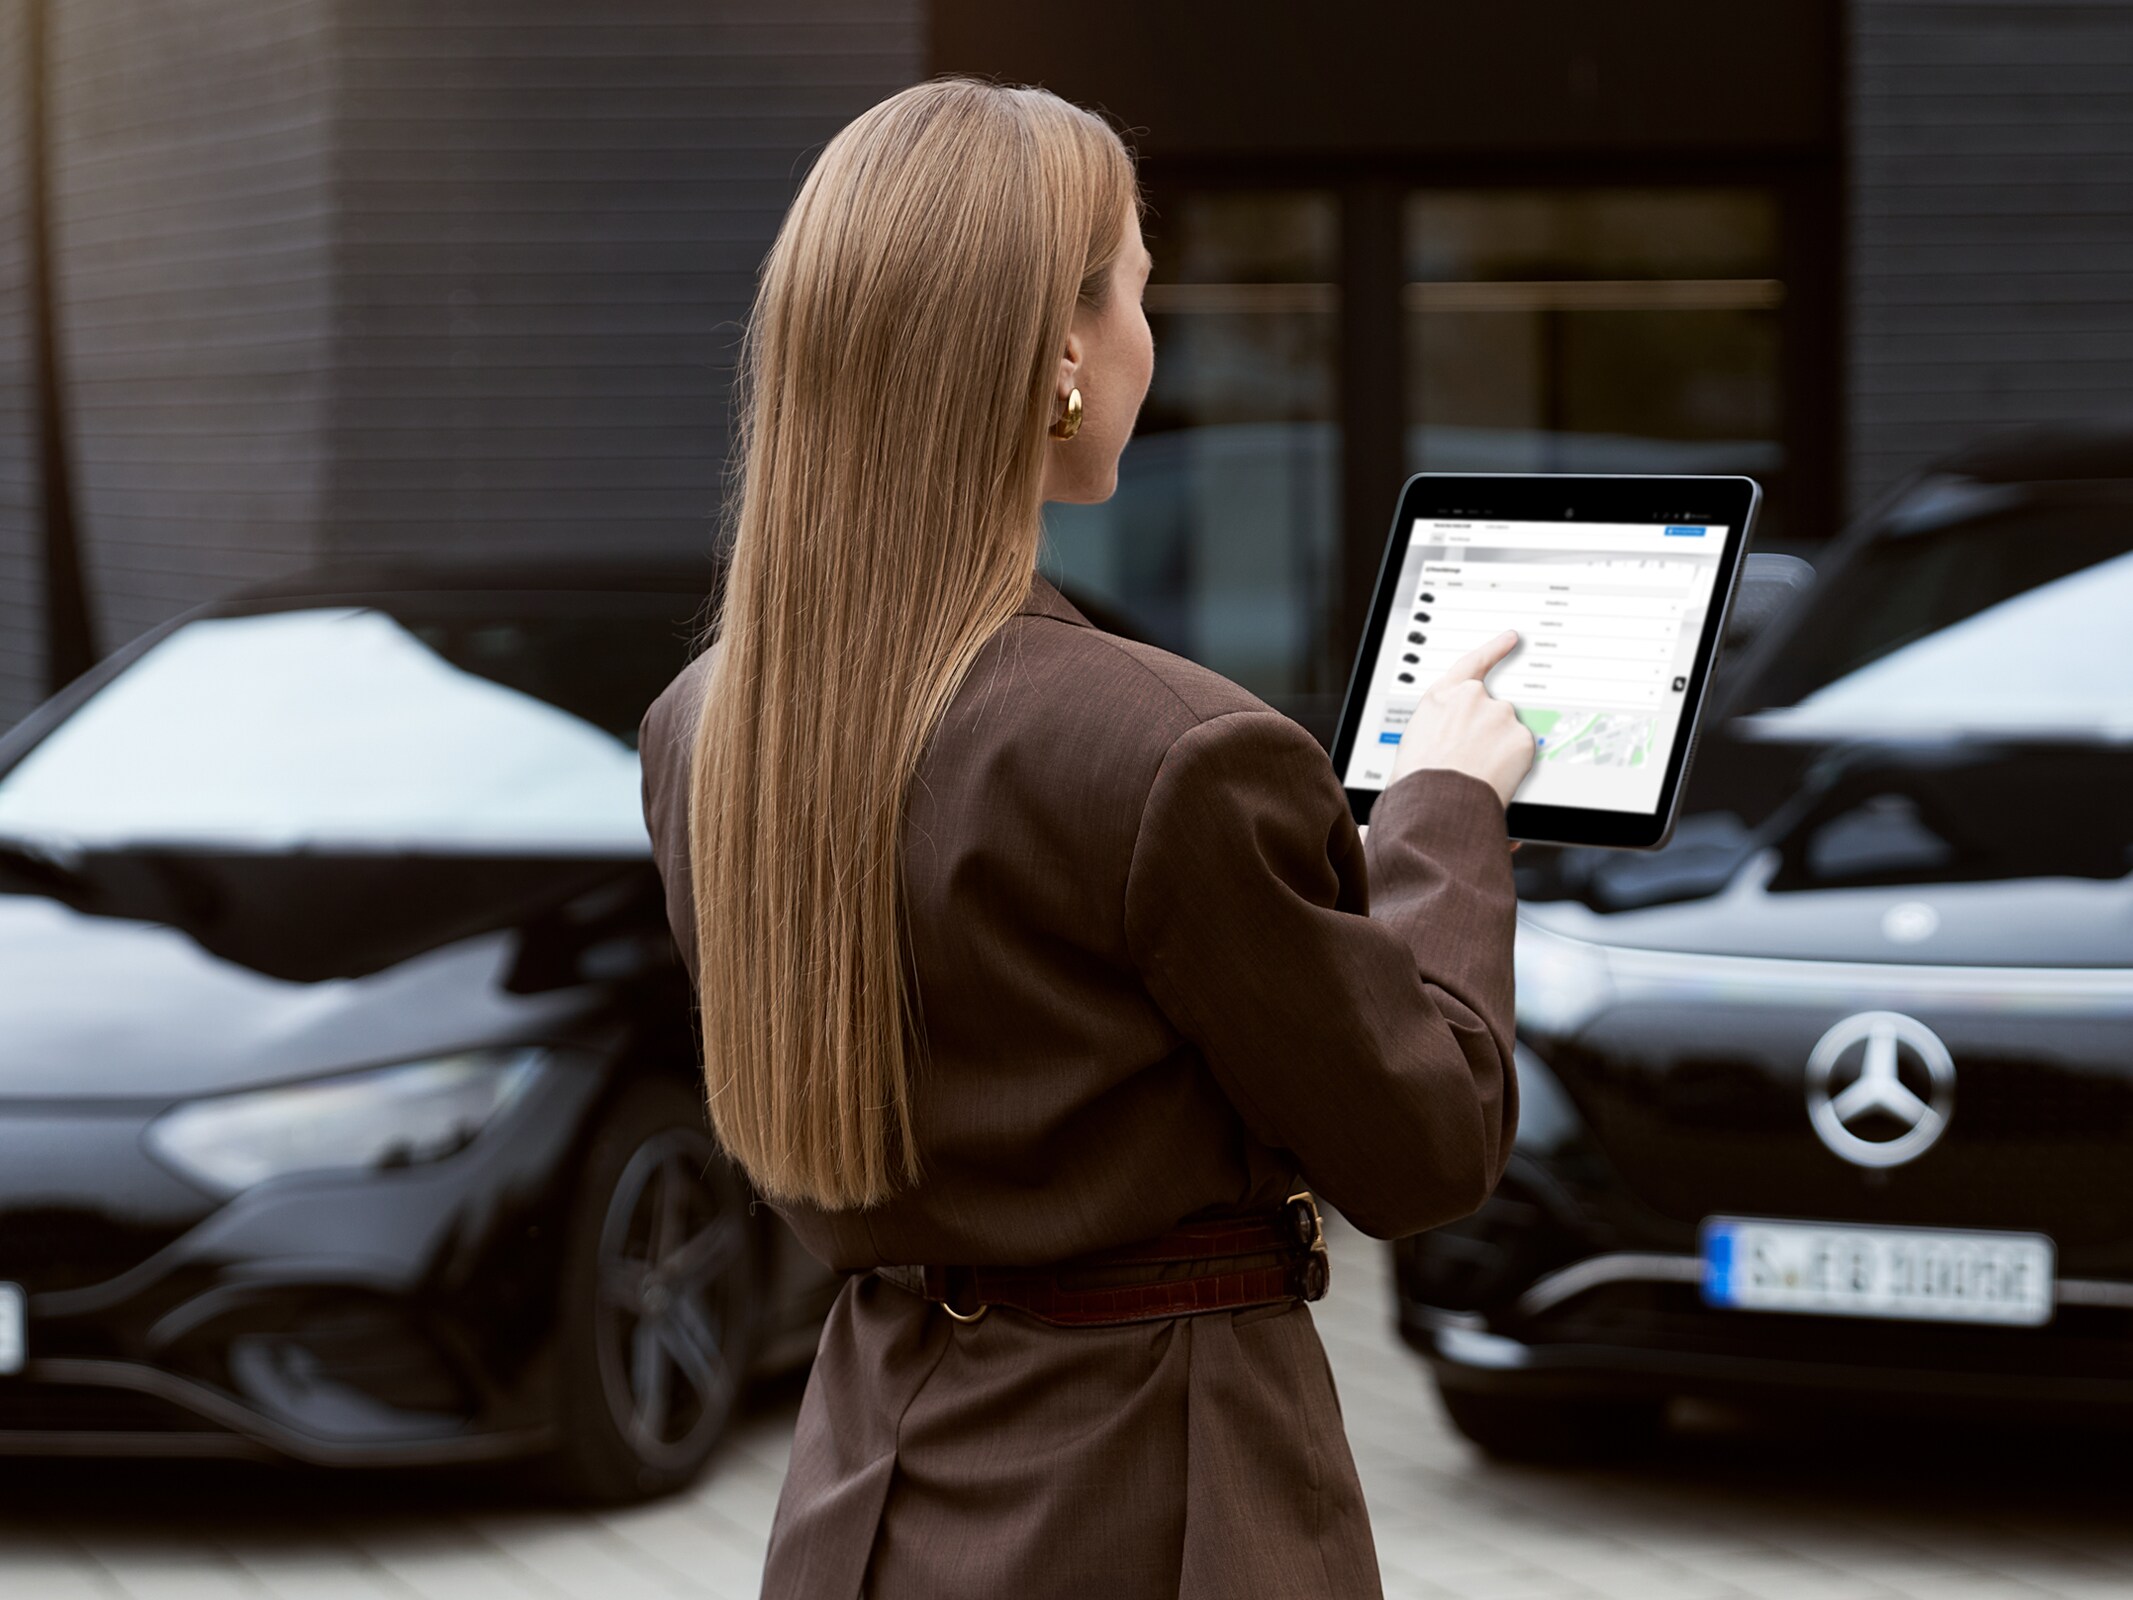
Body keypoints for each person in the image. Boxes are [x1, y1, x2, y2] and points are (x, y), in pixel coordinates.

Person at [636, 75, 1535, 1600]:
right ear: (1058, 355)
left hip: (865, 1478)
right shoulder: (1177, 753)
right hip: (1155, 1487)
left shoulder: (702, 725)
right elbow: (1425, 1145)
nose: (1148, 337)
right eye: (1136, 287)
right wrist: (1447, 809)